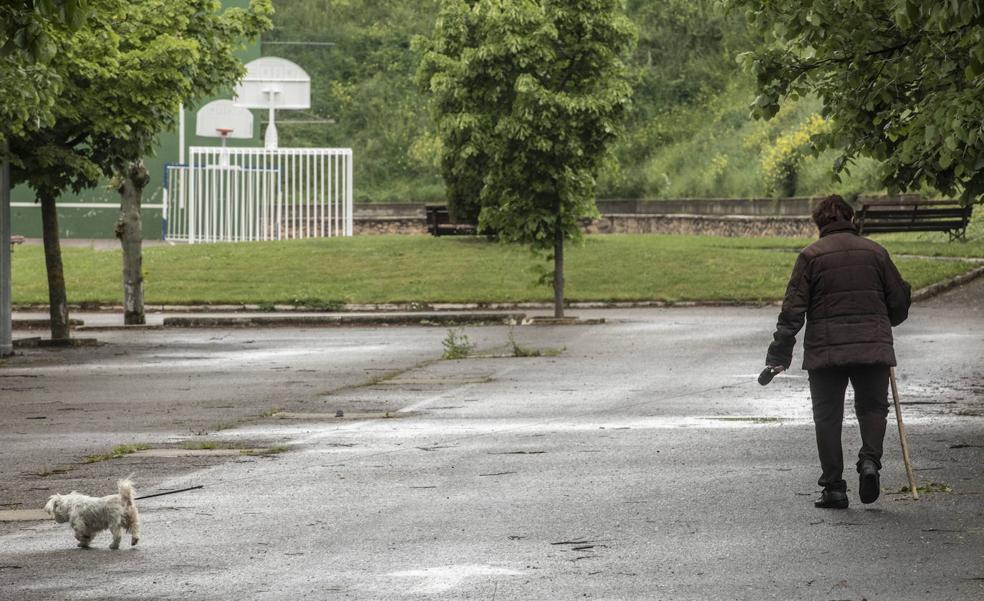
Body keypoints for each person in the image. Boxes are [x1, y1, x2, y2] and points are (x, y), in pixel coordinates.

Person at [765, 195, 912, 509]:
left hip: (825, 351)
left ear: (819, 224)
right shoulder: (876, 253)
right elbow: (898, 307)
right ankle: (870, 462)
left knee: (827, 417)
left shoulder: (810, 257)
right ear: (852, 218)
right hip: (872, 346)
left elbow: (792, 311)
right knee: (873, 408)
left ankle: (834, 488)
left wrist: (779, 356)